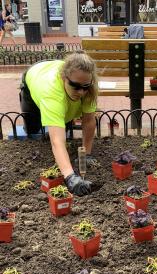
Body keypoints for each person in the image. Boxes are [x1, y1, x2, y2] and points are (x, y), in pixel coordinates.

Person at [19, 51, 98, 196]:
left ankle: (62, 120)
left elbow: (88, 120)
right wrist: (70, 177)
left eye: (85, 87)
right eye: (75, 86)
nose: (81, 92)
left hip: (57, 71)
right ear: (64, 78)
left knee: (63, 116)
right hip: (35, 75)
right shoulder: (51, 93)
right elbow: (56, 141)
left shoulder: (89, 86)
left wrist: (87, 153)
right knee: (33, 129)